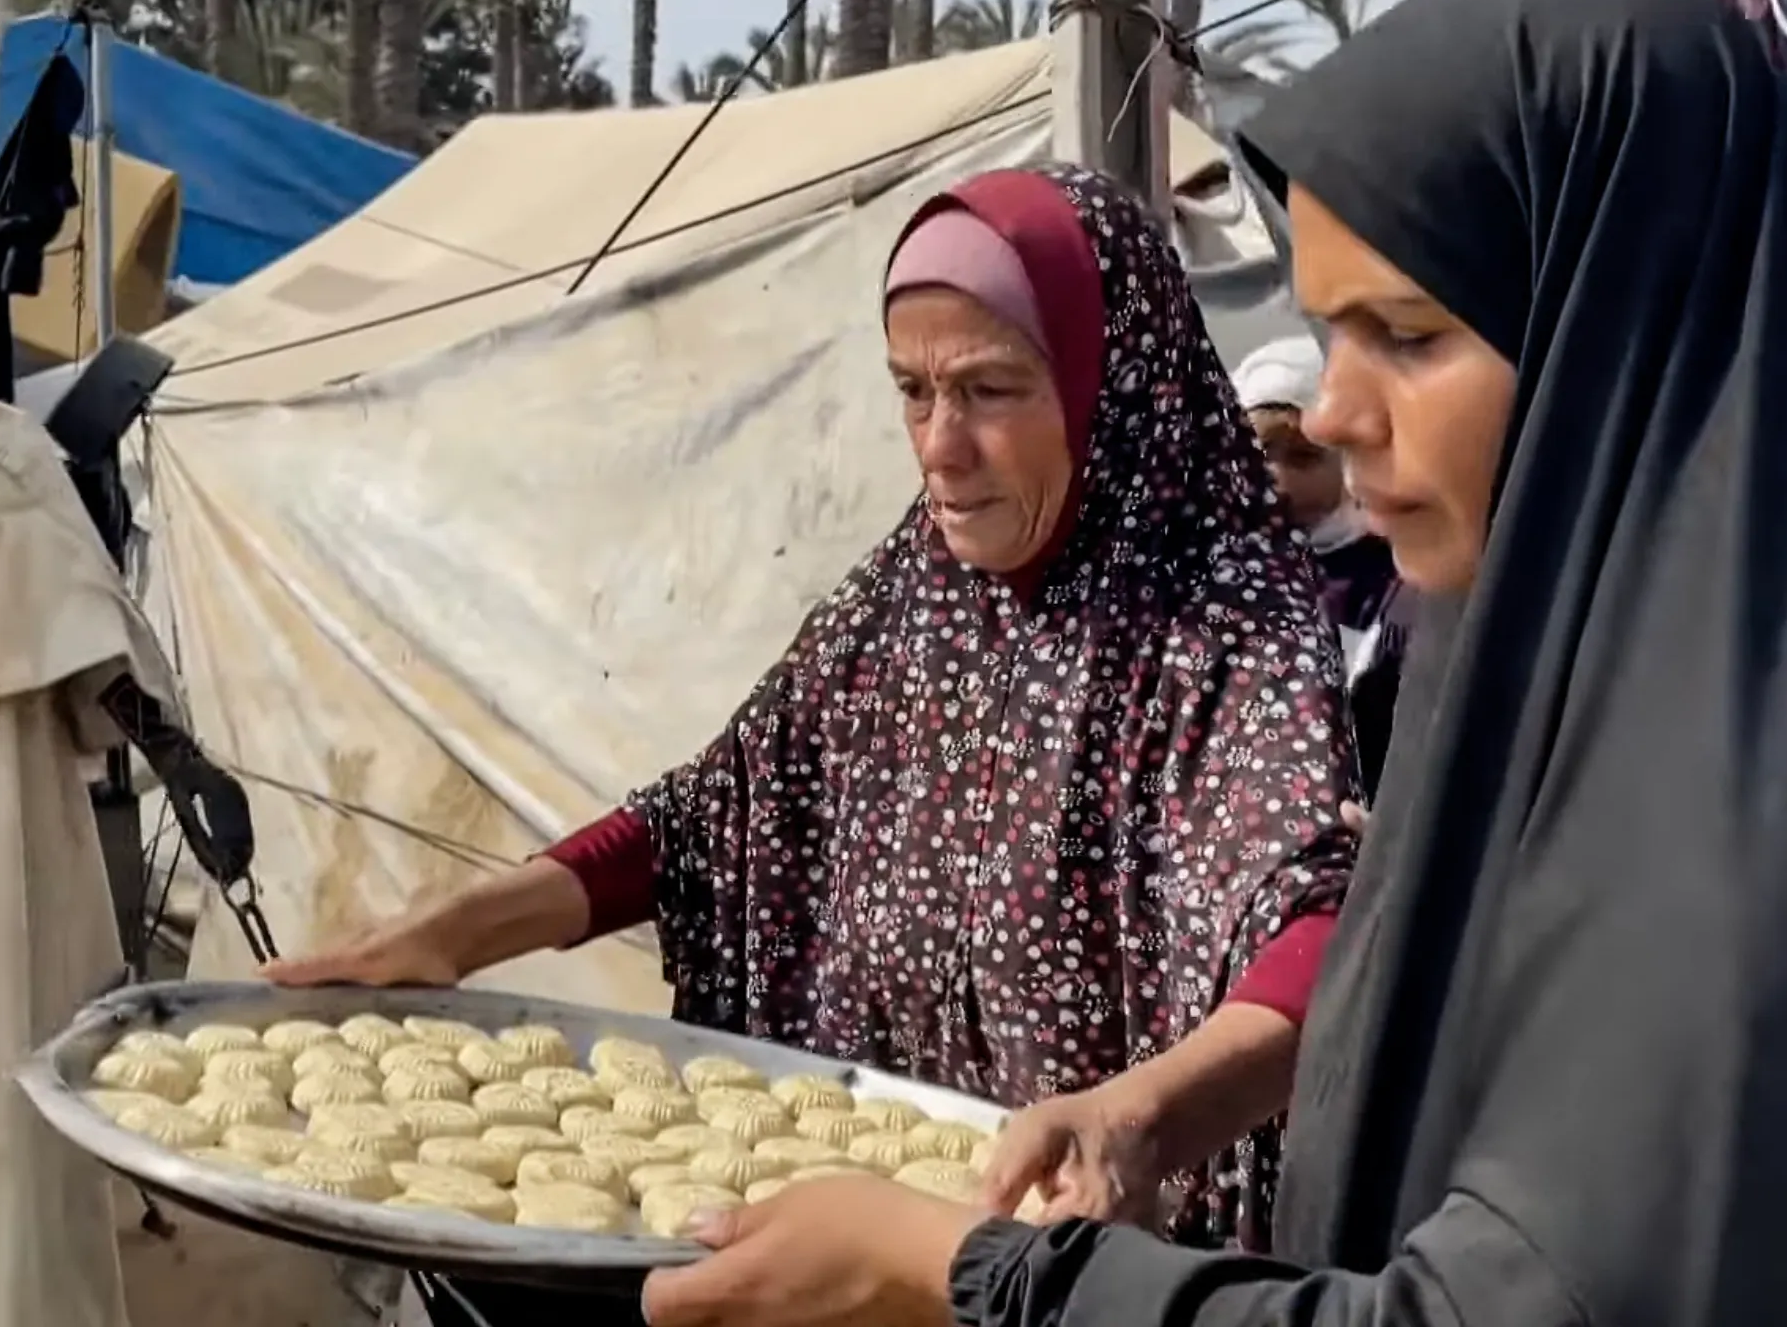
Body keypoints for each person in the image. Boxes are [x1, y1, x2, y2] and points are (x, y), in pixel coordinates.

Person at [635, 0, 1787, 1327]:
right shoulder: (1511, 691)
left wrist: (961, 1267)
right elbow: (729, 794)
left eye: (1409, 335)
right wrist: (1142, 1120)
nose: (1333, 413)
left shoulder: (1702, 838)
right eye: (1329, 332)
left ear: (1629, 333)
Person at [271, 163, 1360, 1252]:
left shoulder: (1224, 626)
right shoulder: (915, 598)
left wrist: (1140, 1118)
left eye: (989, 391)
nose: (939, 446)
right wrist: (455, 933)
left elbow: (1320, 922)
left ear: (1110, 386)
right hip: (865, 1241)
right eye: (912, 391)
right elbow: (720, 811)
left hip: (1085, 1257)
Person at [1231, 336, 1407, 797]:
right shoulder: (1222, 567)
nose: (1275, 475)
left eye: (1304, 457)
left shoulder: (1391, 576)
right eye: (1259, 452)